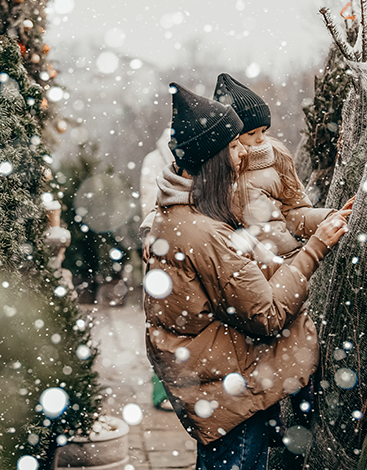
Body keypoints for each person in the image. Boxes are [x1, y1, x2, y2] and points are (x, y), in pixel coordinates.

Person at [143, 82, 351, 470]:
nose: (247, 152)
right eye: (236, 145)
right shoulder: (206, 231)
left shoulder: (179, 214)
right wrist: (316, 246)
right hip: (226, 389)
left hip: (213, 380)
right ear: (215, 158)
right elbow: (266, 314)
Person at [214, 73, 348, 259]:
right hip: (243, 268)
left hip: (286, 258)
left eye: (264, 130)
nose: (261, 138)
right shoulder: (216, 173)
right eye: (251, 133)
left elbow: (295, 212)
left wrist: (327, 218)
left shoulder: (277, 160)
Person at [139, 128, 176, 411]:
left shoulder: (156, 161)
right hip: (164, 249)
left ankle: (168, 392)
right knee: (164, 325)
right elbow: (150, 205)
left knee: (164, 324)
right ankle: (162, 393)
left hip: (165, 248)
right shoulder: (158, 163)